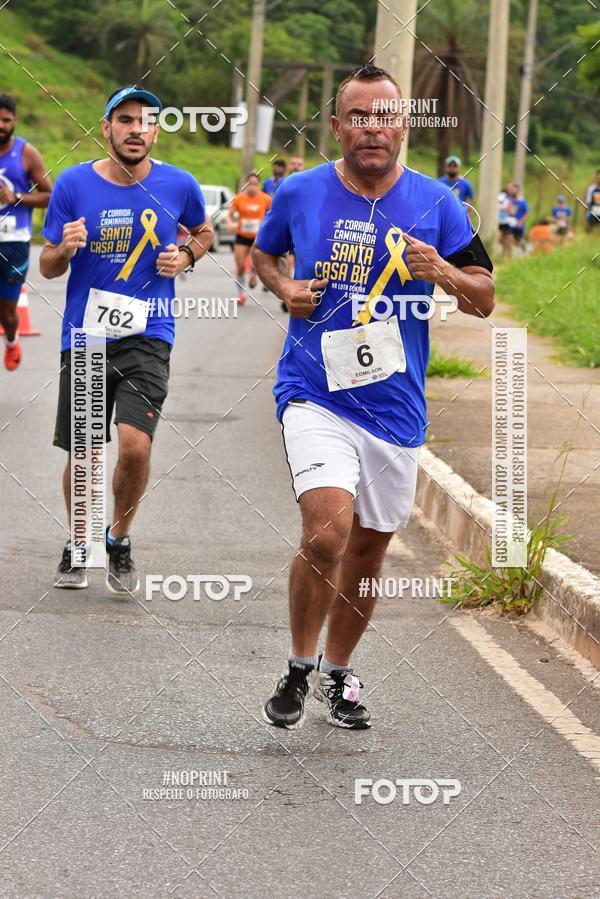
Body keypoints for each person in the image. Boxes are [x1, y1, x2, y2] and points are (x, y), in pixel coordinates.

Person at [253, 63, 494, 731]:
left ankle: (337, 671)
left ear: (403, 126)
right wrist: (284, 287)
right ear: (338, 127)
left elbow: (483, 297)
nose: (372, 128)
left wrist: (441, 270)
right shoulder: (300, 191)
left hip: (394, 408)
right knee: (327, 529)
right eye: (358, 116)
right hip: (314, 392)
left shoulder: (439, 203)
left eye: (384, 116)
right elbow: (264, 254)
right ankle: (299, 664)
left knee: (366, 550)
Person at [40, 86, 213, 593]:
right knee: (85, 452)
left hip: (148, 332)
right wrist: (64, 248)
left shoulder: (179, 184)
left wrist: (186, 256)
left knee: (135, 447)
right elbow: (47, 265)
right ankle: (80, 542)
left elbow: (203, 232)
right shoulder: (73, 184)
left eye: (147, 121)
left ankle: (117, 538)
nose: (137, 129)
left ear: (156, 131)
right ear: (106, 128)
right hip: (87, 336)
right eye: (126, 120)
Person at [0, 93, 52, 371]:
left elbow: (49, 196)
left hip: (13, 244)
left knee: (7, 313)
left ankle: (11, 341)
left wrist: (16, 197)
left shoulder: (26, 153)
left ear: (14, 121)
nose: (1, 125)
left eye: (6, 120)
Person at [226, 173, 271, 303]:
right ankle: (241, 294)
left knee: (253, 264)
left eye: (255, 184)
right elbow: (229, 214)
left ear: (258, 185)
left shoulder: (266, 199)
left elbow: (273, 214)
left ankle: (253, 274)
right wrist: (229, 223)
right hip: (242, 236)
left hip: (257, 237)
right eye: (250, 184)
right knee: (240, 266)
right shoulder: (239, 198)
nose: (252, 187)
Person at [498, 184, 517, 257]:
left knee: (508, 239)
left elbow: (512, 211)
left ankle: (508, 256)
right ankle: (504, 255)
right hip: (500, 222)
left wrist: (510, 209)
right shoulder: (502, 196)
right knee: (501, 239)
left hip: (506, 221)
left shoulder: (511, 199)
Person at [508, 182, 528, 250]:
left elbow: (526, 213)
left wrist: (521, 222)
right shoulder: (509, 200)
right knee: (509, 240)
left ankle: (522, 246)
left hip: (519, 226)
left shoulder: (522, 202)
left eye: (515, 190)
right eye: (512, 190)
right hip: (510, 225)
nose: (513, 192)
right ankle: (509, 254)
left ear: (518, 191)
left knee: (517, 241)